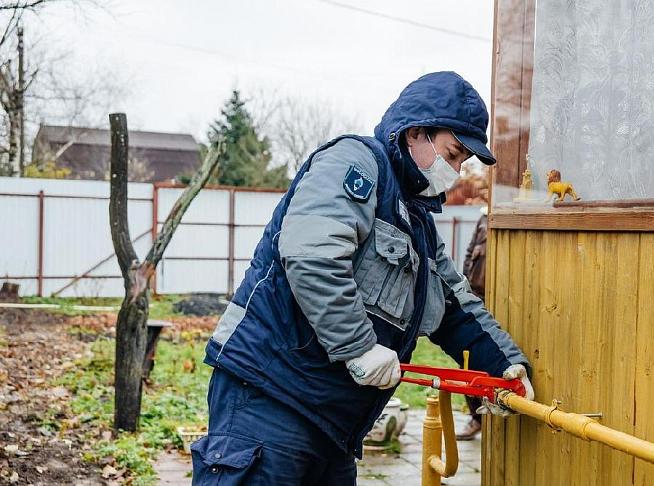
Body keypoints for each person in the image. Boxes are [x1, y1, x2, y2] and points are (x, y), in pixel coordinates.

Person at [193, 71, 534, 485]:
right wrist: (359, 348)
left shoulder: (417, 220)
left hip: (331, 423)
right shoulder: (353, 162)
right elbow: (312, 257)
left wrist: (505, 366)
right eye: (454, 152)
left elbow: (453, 304)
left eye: (462, 161)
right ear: (416, 134)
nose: (458, 170)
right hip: (269, 399)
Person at [456, 209, 489, 441]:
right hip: (477, 296)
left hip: (501, 296)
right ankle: (476, 417)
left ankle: (490, 419)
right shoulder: (484, 217)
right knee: (466, 361)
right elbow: (470, 252)